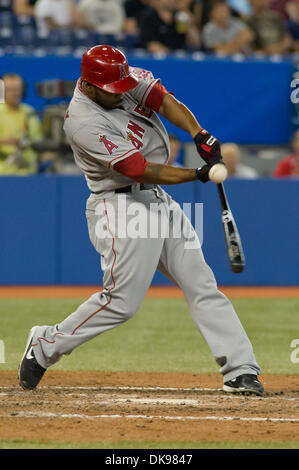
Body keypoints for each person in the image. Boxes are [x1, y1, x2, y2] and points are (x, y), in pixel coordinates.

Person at [18, 45, 264, 397]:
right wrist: (198, 173)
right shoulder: (82, 121)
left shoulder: (117, 78)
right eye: (111, 91)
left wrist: (199, 134)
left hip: (156, 198)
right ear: (88, 86)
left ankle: (240, 369)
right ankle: (45, 343)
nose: (121, 95)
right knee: (121, 302)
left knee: (201, 283)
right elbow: (138, 168)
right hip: (120, 206)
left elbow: (162, 99)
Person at [0, 73, 43, 175]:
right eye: (10, 89)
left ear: (23, 91)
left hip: (30, 173)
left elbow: (38, 139)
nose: (14, 93)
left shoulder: (29, 111)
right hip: (3, 174)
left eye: (17, 89)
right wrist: (4, 141)